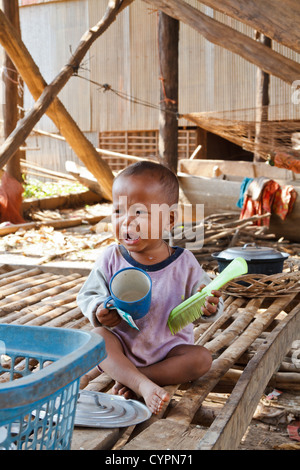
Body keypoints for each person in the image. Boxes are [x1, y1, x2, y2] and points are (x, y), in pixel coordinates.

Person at [77, 161, 223, 415]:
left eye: (139, 213)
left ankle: (136, 379)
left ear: (169, 220)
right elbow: (87, 295)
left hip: (169, 354)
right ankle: (139, 382)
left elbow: (207, 297)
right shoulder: (111, 258)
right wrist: (99, 309)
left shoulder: (184, 263)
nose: (126, 222)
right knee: (96, 338)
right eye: (118, 211)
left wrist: (209, 306)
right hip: (121, 348)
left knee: (202, 359)